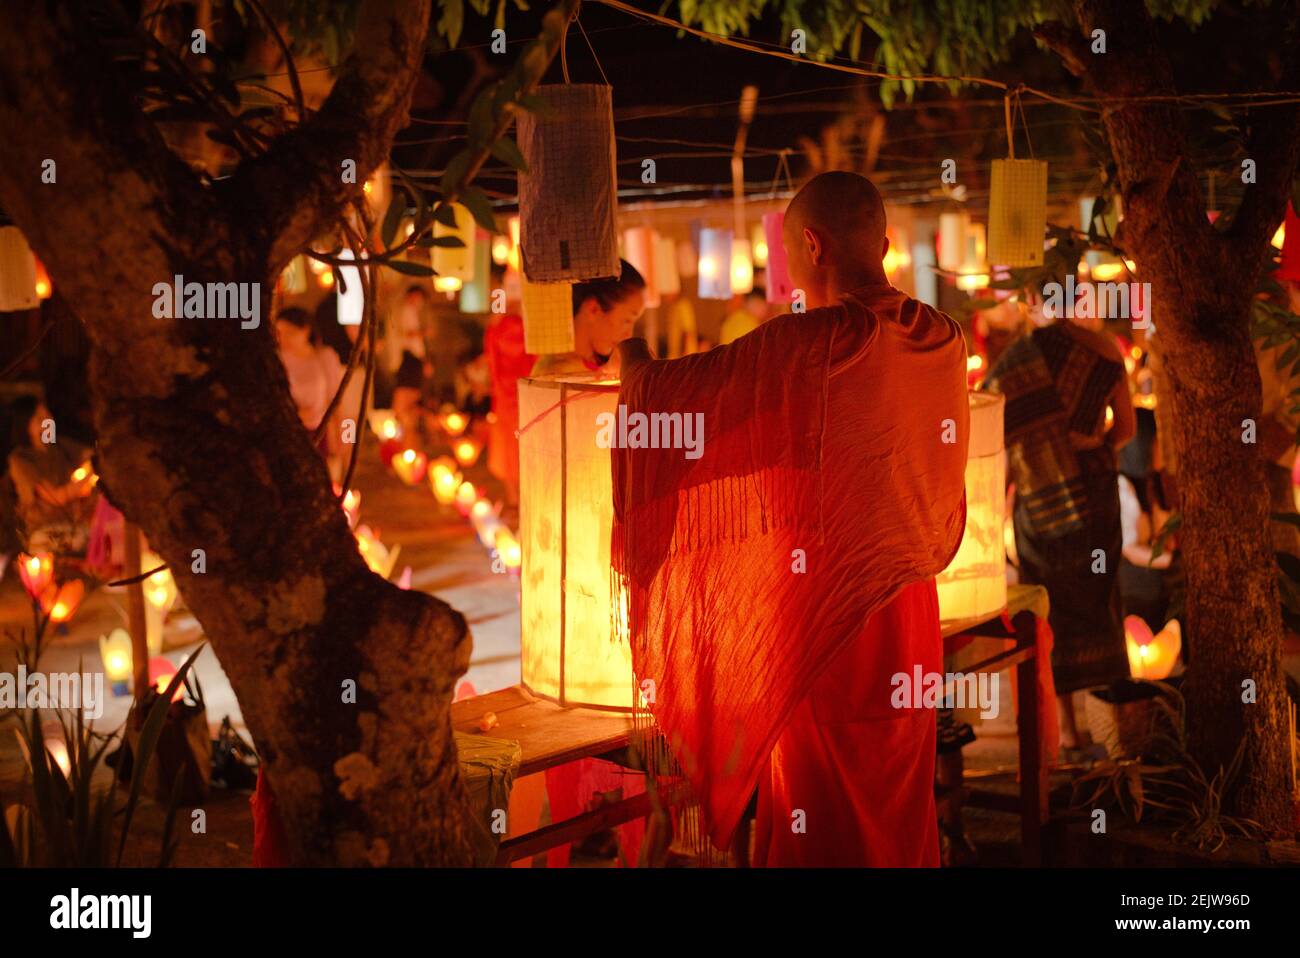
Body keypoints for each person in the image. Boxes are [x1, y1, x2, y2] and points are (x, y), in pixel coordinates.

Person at [612, 172, 969, 866]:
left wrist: (619, 342)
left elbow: (667, 398)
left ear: (811, 244)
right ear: (887, 243)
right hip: (910, 622)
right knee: (895, 806)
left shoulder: (816, 344)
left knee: (820, 819)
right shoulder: (942, 338)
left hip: (824, 624)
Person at [982, 284, 1136, 757]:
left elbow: (996, 434)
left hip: (1039, 501)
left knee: (1048, 608)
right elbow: (1126, 430)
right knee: (1100, 600)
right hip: (1093, 493)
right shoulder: (1106, 352)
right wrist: (1089, 446)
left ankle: (1067, 728)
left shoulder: (1017, 361)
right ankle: (1114, 725)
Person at [6, 396, 94, 553]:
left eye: (48, 415)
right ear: (25, 425)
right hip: (45, 531)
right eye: (40, 418)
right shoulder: (20, 460)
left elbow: (91, 455)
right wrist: (88, 477)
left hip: (75, 526)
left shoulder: (59, 447)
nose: (48, 420)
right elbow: (56, 497)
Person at [531, 260, 646, 378]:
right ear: (593, 309)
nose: (628, 334)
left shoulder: (608, 366)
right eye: (627, 320)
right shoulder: (553, 374)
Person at [275, 308, 345, 467]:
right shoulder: (278, 360)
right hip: (289, 431)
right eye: (279, 333)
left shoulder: (324, 357)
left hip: (320, 431)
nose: (284, 339)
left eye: (290, 333)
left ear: (306, 330)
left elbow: (336, 400)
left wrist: (345, 435)